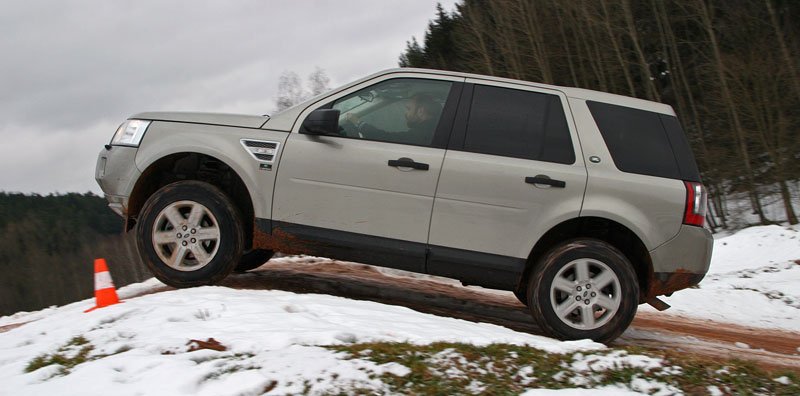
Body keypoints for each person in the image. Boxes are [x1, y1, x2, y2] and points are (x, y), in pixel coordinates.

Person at [343, 94, 441, 145]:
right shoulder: (435, 129)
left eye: (409, 109)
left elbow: (386, 137)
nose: (406, 113)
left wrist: (357, 123)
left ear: (420, 111)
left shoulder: (423, 134)